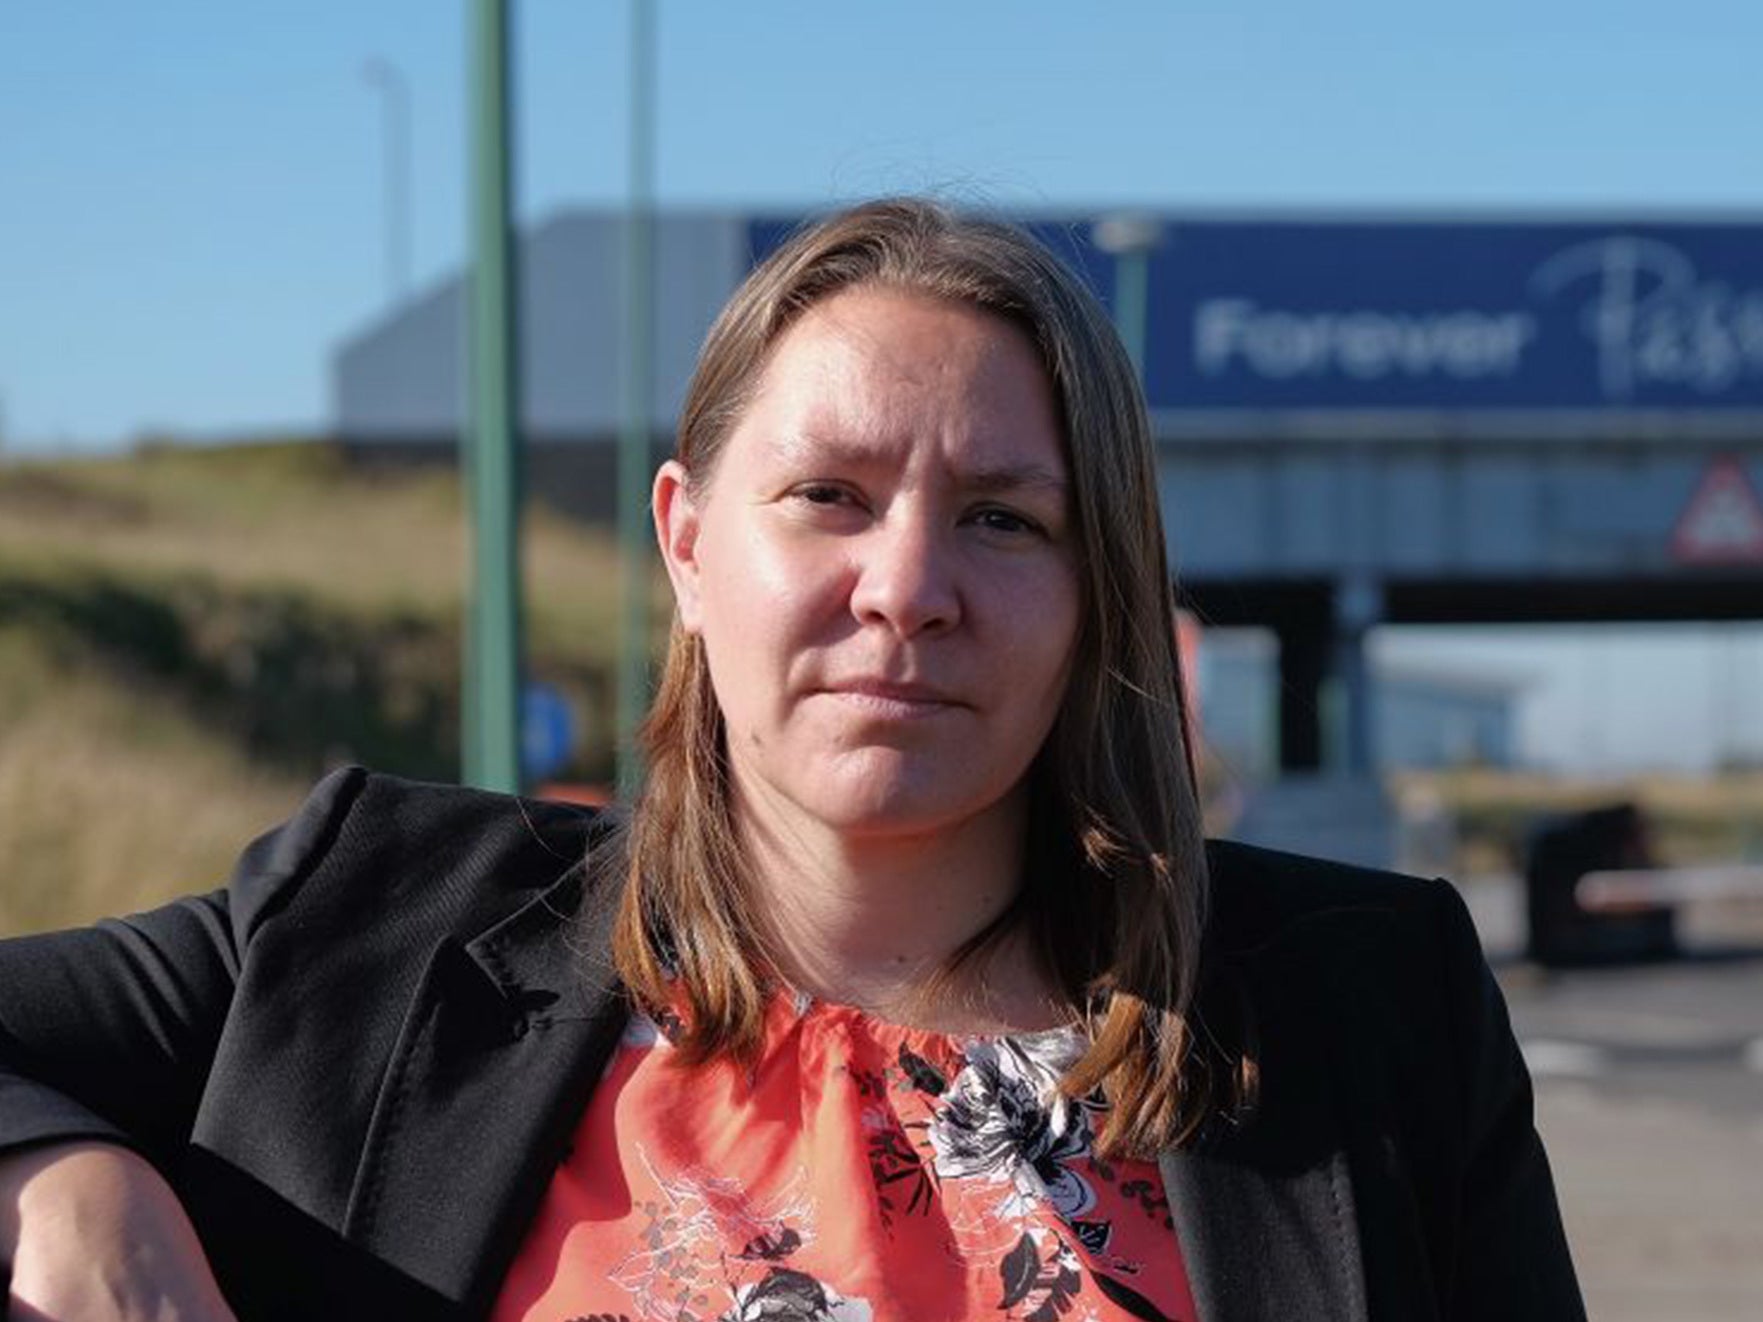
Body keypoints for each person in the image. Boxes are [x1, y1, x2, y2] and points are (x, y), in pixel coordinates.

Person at [0, 199, 1584, 1321]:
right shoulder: (370, 925)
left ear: (1093, 591)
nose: (908, 584)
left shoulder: (1377, 1010)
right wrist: (69, 1183)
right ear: (688, 547)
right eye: (829, 494)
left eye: (1002, 517)